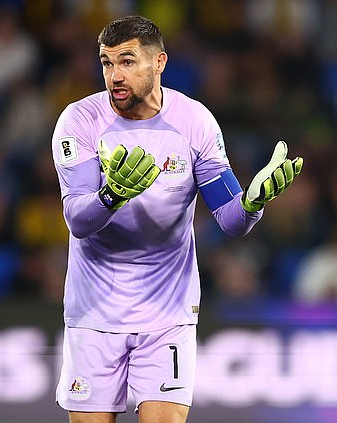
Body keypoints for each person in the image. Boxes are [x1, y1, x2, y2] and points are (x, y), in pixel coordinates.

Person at [51, 16, 302, 423]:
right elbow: (77, 219)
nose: (115, 75)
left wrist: (253, 202)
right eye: (107, 63)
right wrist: (111, 195)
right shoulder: (78, 121)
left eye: (128, 62)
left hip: (168, 315)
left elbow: (230, 218)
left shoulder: (194, 121)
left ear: (159, 62)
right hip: (94, 315)